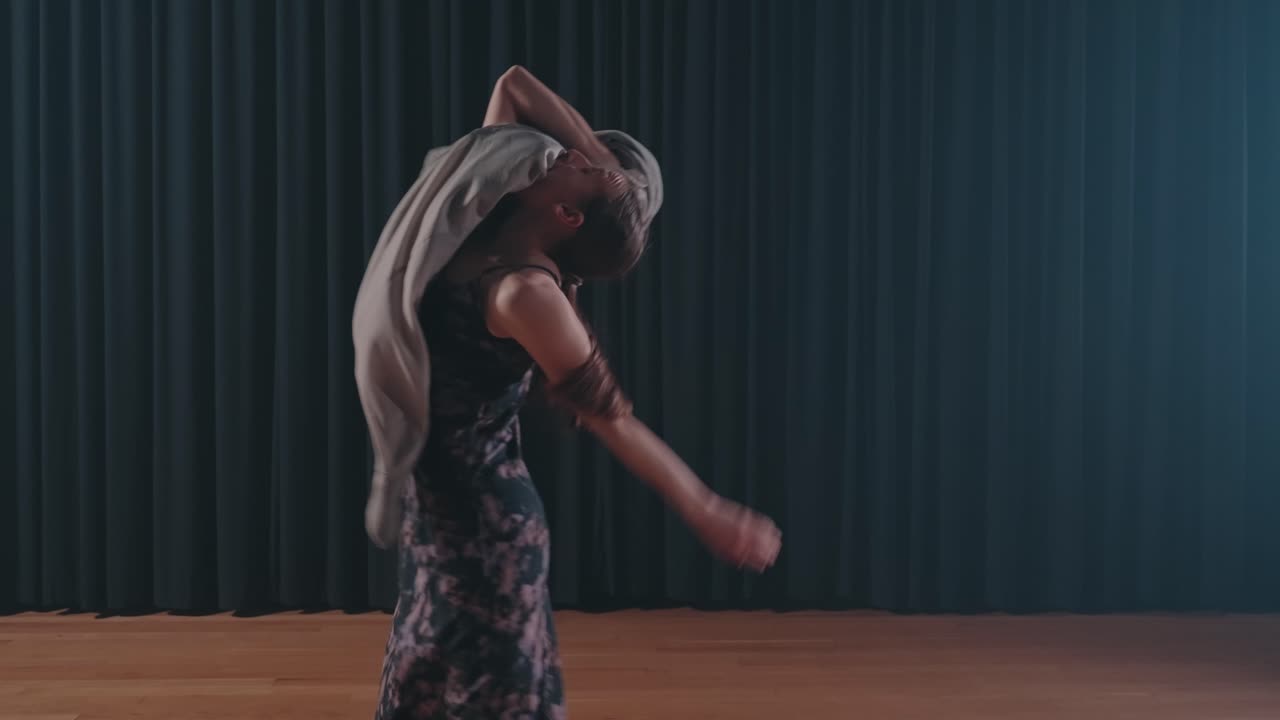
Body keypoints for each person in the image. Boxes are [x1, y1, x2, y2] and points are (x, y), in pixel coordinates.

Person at [373, 66, 781, 719]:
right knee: (424, 685)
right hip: (440, 517)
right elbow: (514, 86)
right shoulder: (476, 210)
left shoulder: (526, 293)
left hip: (486, 530)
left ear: (564, 213)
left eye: (586, 169)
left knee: (492, 700)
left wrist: (704, 507)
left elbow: (612, 418)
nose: (569, 152)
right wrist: (604, 167)